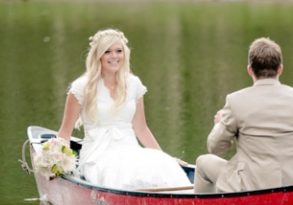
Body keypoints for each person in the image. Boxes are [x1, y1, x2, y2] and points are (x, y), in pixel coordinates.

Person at [194, 37, 293, 194]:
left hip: (252, 189)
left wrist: (219, 124)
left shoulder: (235, 102)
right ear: (280, 69)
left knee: (202, 162)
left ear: (250, 70)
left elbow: (214, 147)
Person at [56, 28, 191, 191]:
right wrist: (56, 159)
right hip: (98, 155)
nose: (114, 56)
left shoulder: (133, 84)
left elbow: (141, 128)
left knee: (161, 164)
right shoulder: (82, 87)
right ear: (98, 56)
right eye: (108, 52)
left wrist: (164, 157)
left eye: (118, 51)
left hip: (130, 150)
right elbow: (65, 133)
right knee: (119, 171)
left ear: (124, 54)